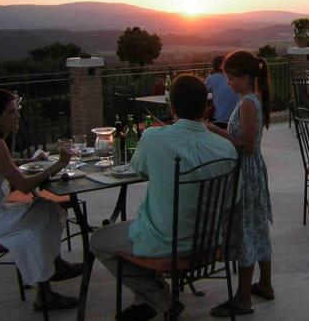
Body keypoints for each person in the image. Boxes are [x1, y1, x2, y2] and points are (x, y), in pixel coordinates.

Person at [90, 75, 237, 321]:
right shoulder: (226, 148)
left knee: (100, 240)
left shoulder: (152, 138)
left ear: (172, 107)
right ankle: (149, 299)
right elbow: (232, 199)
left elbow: (139, 169)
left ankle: (161, 300)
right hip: (211, 242)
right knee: (152, 220)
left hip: (166, 244)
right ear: (206, 107)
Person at [0, 89, 82, 311]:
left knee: (47, 209)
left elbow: (5, 163)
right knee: (36, 226)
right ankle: (45, 294)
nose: (17, 116)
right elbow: (23, 186)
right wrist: (59, 164)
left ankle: (55, 265)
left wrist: (30, 160)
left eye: (17, 110)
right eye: (11, 112)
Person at [206, 50, 274, 317]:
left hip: (246, 172)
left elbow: (245, 146)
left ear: (245, 78)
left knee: (245, 230)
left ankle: (243, 298)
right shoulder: (252, 99)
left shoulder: (247, 103)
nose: (228, 84)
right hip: (254, 171)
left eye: (231, 78)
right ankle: (265, 284)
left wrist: (216, 131)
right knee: (257, 227)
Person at [205, 55, 239, 128]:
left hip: (221, 120)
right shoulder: (236, 78)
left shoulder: (211, 79)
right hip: (237, 119)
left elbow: (199, 92)